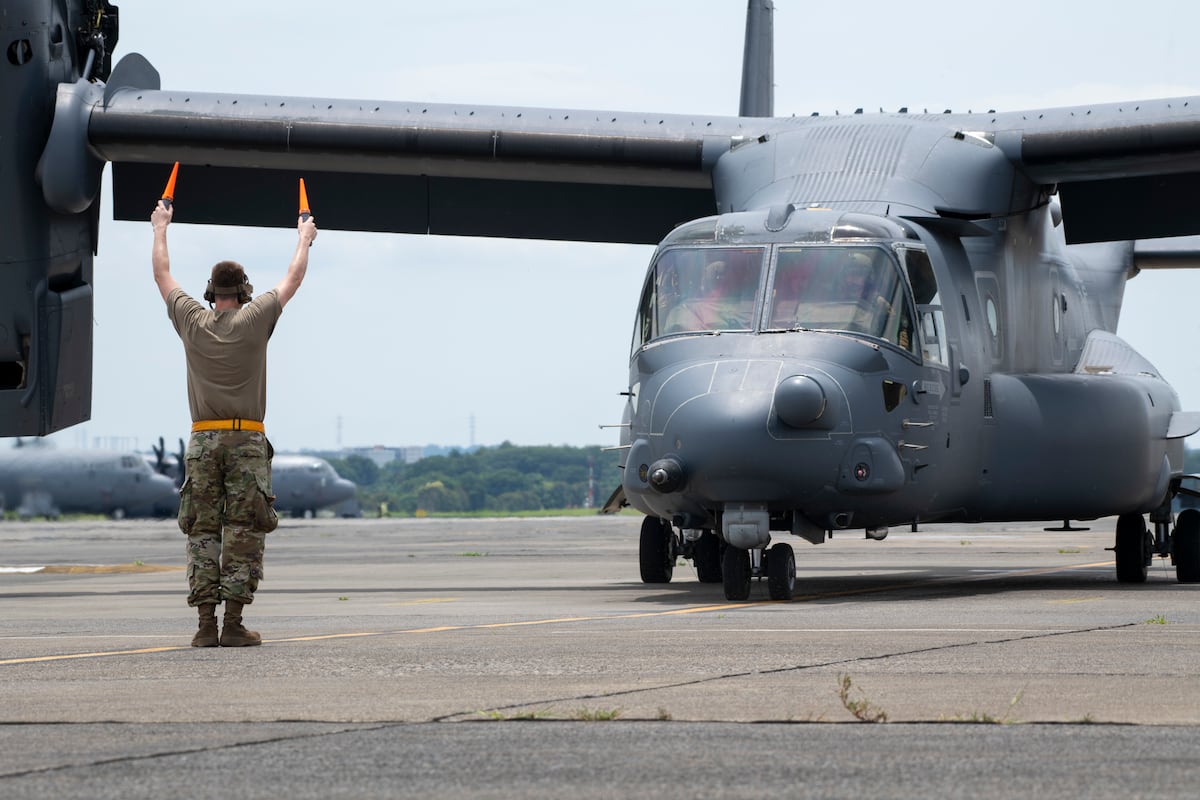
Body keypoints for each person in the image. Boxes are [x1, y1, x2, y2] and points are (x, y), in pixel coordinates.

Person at [151, 199, 318, 647]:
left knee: (202, 530)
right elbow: (292, 279)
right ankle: (233, 624)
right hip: (246, 439)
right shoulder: (254, 318)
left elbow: (163, 275)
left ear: (210, 292)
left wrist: (160, 228)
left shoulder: (191, 320)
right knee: (244, 530)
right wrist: (303, 238)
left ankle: (205, 626)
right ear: (243, 292)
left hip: (202, 441)